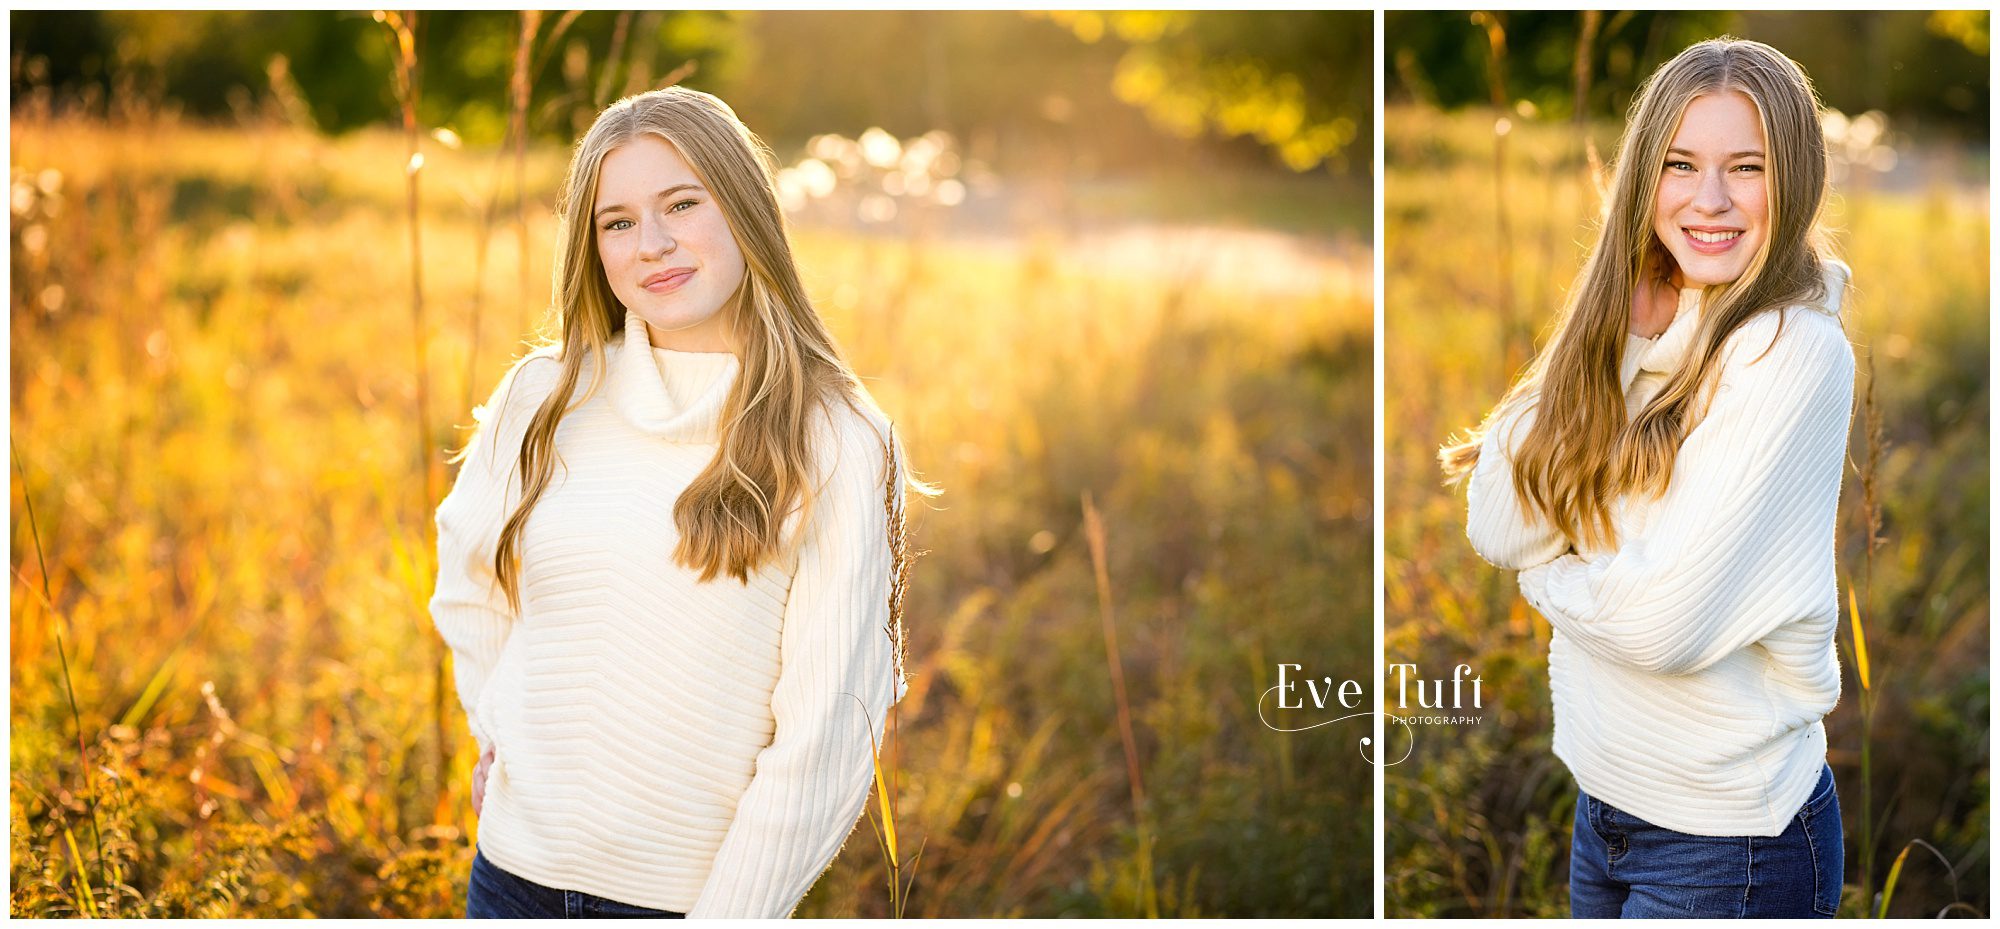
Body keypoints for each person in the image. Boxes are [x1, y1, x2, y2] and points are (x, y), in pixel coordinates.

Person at [429, 86, 932, 918]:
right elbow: (471, 577)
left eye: (681, 203)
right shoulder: (547, 395)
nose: (652, 244)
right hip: (509, 878)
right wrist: (497, 726)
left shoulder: (836, 437)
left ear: (742, 206)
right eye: (617, 221)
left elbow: (829, 732)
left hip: (682, 904)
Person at [1441, 38, 1854, 919]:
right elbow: (1498, 523)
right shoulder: (1650, 316)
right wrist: (1612, 334)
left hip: (1731, 843)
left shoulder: (1792, 351)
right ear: (1643, 177)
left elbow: (1662, 621)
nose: (1709, 200)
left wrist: (1549, 576)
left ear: (1797, 178)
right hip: (1607, 809)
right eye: (1680, 164)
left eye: (1747, 166)